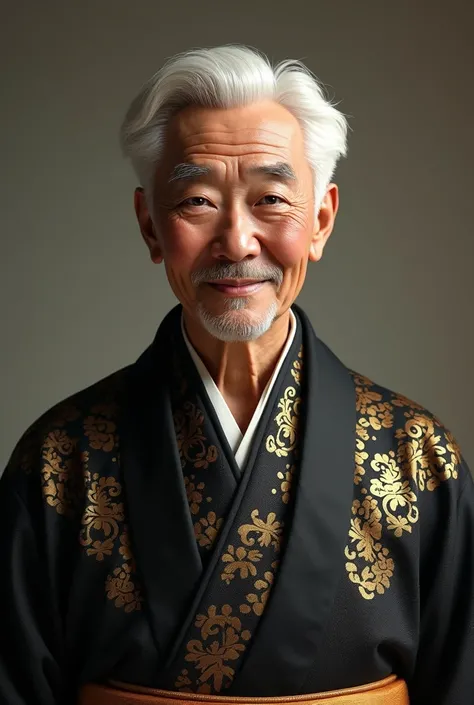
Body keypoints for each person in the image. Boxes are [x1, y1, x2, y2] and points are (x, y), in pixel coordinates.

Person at [1, 44, 472, 705]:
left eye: (272, 198)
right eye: (197, 199)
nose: (238, 241)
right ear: (150, 225)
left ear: (321, 220)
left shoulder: (419, 455)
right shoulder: (61, 459)